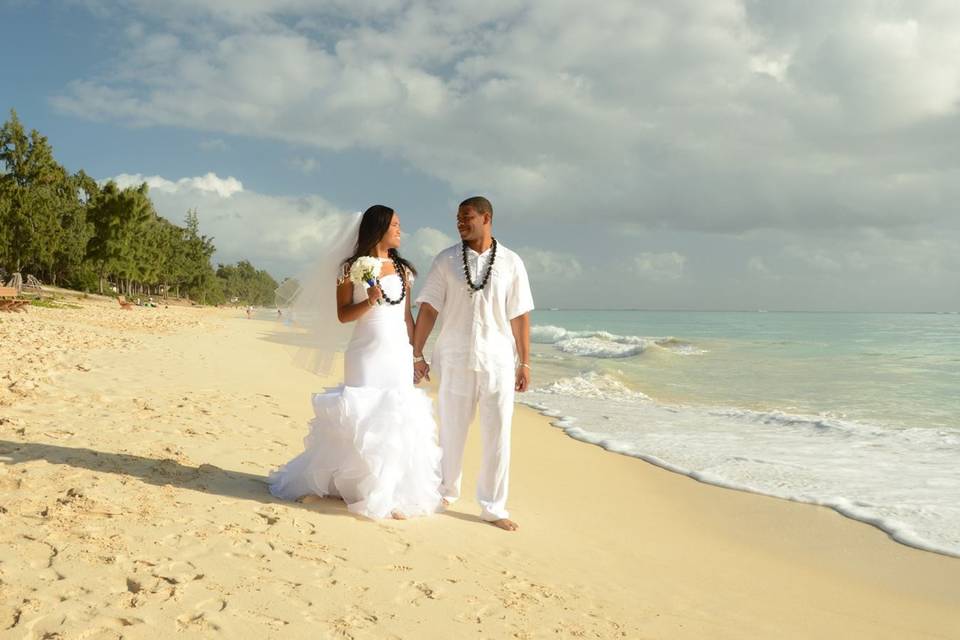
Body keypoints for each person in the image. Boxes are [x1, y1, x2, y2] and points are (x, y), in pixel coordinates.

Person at [269, 205, 443, 519]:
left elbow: (406, 316)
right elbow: (343, 315)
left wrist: (416, 355)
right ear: (378, 229)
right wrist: (369, 301)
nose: (400, 230)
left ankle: (389, 493)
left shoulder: (404, 271)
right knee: (360, 416)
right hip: (365, 352)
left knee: (396, 419)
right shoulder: (350, 267)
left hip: (397, 352)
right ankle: (346, 486)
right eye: (395, 225)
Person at [412, 196, 533, 531]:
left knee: (498, 435)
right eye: (457, 218)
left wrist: (525, 363)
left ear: (486, 217)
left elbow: (520, 315)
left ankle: (494, 507)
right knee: (450, 429)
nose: (460, 223)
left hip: (497, 360)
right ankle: (444, 492)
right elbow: (429, 308)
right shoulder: (446, 260)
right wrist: (416, 354)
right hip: (453, 356)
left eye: (467, 217)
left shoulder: (511, 262)